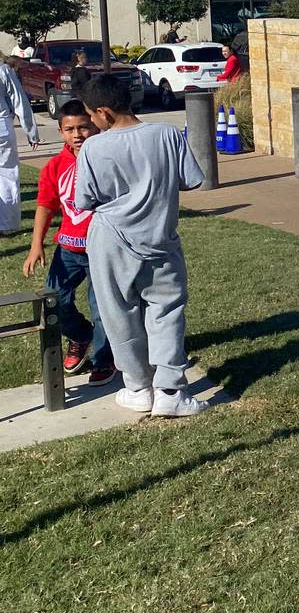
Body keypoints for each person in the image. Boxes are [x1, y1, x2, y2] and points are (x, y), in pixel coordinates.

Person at [73, 73, 207, 419]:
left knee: (119, 313)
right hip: (160, 237)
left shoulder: (93, 147)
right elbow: (191, 180)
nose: (91, 123)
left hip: (110, 240)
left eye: (91, 116)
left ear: (103, 112)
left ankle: (137, 387)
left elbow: (85, 199)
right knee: (167, 311)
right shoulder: (166, 134)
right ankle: (170, 390)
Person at [22, 100, 114, 384]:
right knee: (54, 302)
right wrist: (36, 244)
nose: (77, 134)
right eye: (70, 129)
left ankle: (103, 359)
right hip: (68, 249)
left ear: (95, 126)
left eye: (84, 127)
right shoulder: (55, 166)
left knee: (103, 308)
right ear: (61, 132)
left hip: (102, 249)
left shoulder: (107, 159)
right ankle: (80, 335)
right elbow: (46, 205)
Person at [0, 61, 38, 234]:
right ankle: (8, 224)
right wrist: (31, 131)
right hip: (2, 126)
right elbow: (19, 99)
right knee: (7, 175)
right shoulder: (3, 70)